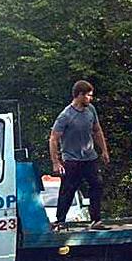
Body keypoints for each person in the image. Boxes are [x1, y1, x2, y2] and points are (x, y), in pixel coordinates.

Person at [49, 80, 110, 230]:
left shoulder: (91, 110)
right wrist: (56, 162)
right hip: (72, 159)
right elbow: (54, 138)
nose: (91, 98)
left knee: (97, 184)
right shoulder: (66, 115)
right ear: (80, 95)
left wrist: (104, 150)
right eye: (88, 95)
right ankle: (60, 220)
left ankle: (96, 219)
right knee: (68, 189)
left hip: (90, 157)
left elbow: (97, 130)